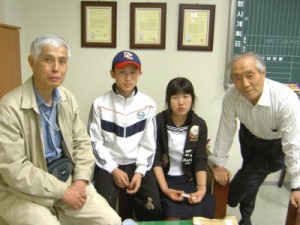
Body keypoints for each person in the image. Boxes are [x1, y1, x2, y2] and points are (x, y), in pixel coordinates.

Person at [0, 34, 122, 225]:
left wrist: (80, 181)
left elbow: (82, 144)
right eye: (48, 60)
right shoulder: (9, 107)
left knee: (111, 221)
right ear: (32, 62)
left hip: (68, 179)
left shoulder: (66, 98)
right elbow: (15, 170)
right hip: (22, 191)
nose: (56, 68)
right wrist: (62, 191)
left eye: (62, 61)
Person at [209, 52, 300, 225]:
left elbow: (293, 145)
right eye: (237, 78)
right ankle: (246, 218)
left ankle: (235, 199)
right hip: (249, 138)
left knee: (245, 181)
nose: (245, 84)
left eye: (250, 75)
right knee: (251, 179)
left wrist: (297, 185)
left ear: (263, 73)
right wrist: (219, 165)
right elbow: (226, 128)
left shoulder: (286, 100)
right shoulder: (231, 97)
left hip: (275, 147)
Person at [88, 50, 163, 221]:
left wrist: (140, 172)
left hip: (137, 165)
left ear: (140, 74)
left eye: (133, 73)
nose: (128, 78)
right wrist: (113, 169)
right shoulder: (99, 104)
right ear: (112, 73)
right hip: (108, 165)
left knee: (153, 209)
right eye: (122, 72)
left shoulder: (148, 105)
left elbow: (149, 144)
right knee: (102, 213)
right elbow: (95, 142)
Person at [153, 77, 216, 220]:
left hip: (188, 179)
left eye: (186, 96)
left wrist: (201, 189)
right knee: (171, 212)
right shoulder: (158, 122)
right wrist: (165, 189)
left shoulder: (198, 124)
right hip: (164, 179)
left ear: (192, 99)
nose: (181, 102)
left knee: (204, 207)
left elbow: (200, 157)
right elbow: (155, 159)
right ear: (168, 100)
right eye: (175, 97)